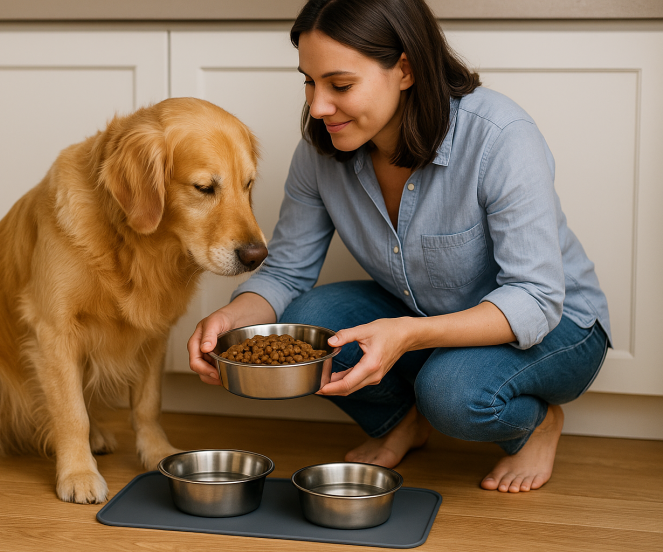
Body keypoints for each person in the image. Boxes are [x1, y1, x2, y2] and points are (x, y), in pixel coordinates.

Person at [187, 0, 611, 494]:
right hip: (426, 314)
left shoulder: (500, 136)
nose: (319, 106)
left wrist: (409, 334)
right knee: (310, 321)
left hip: (560, 329)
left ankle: (537, 424)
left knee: (452, 394)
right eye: (309, 81)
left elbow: (536, 299)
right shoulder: (321, 149)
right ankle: (405, 421)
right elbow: (285, 273)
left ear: (404, 69)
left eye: (340, 85)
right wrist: (236, 315)